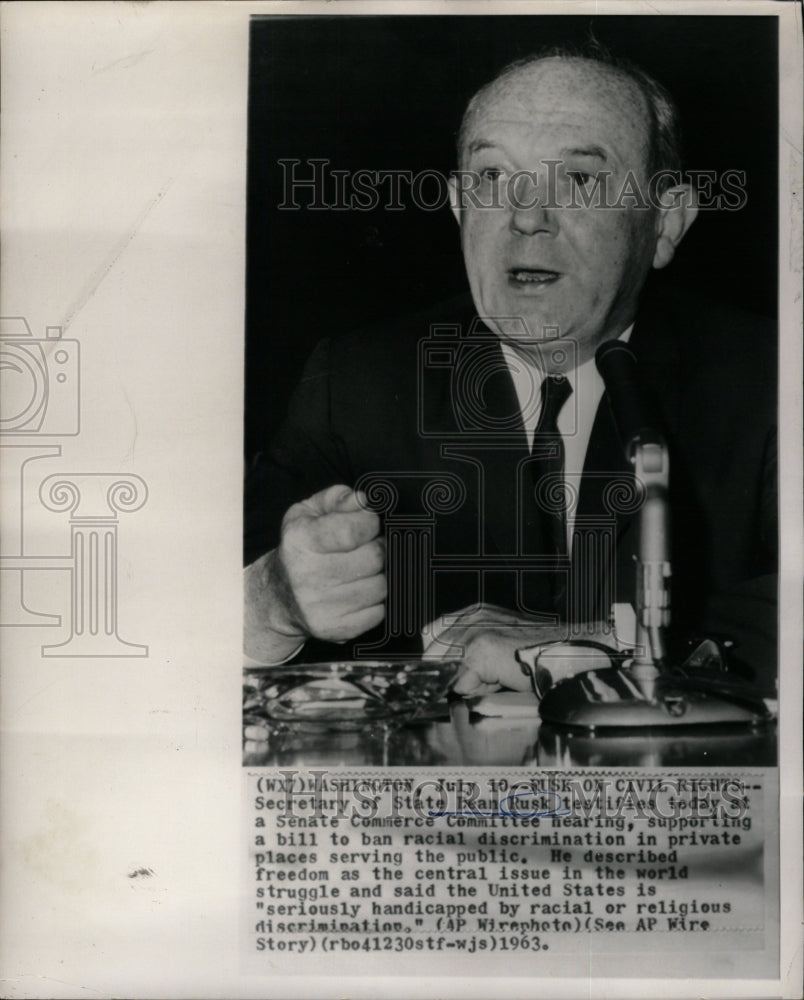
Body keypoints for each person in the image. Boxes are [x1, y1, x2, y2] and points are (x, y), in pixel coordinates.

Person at [244, 47, 777, 698]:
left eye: (580, 181)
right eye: (493, 179)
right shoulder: (354, 381)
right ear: (457, 208)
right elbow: (184, 613)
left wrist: (600, 646)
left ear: (665, 222)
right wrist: (277, 600)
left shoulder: (769, 381)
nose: (526, 218)